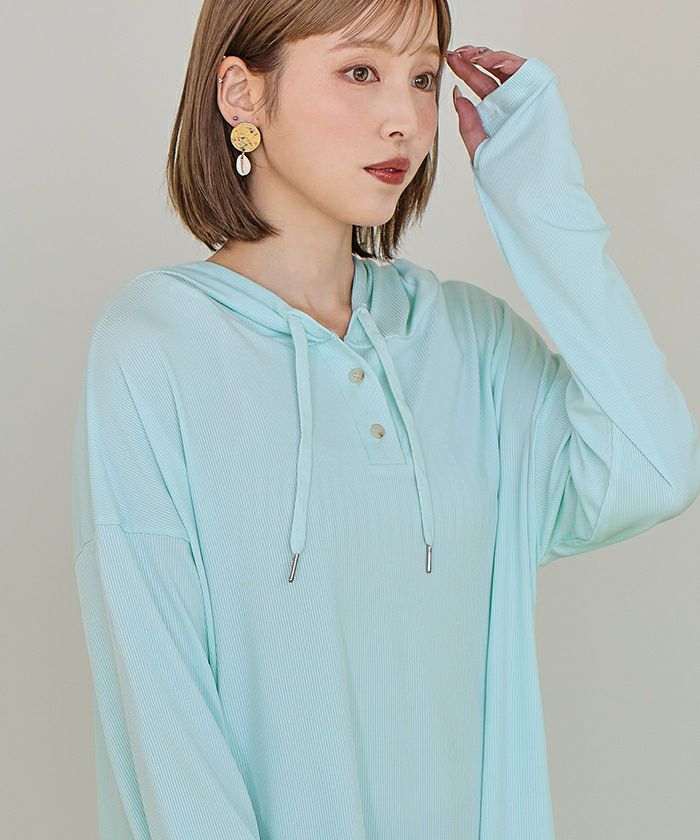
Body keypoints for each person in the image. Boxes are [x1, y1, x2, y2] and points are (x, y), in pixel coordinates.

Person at [71, 0, 700, 837]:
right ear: (241, 92)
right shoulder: (158, 344)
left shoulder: (467, 341)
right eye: (360, 71)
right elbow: (163, 709)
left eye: (425, 78)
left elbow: (654, 467)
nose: (405, 117)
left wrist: (540, 199)